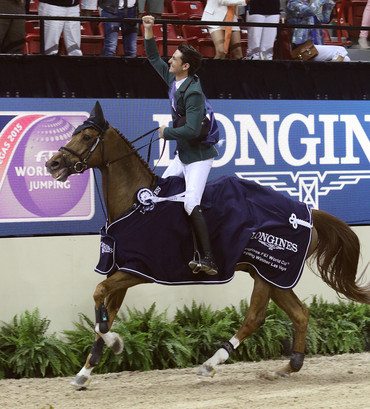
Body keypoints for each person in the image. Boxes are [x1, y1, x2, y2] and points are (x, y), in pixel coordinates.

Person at [142, 15, 219, 275]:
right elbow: (153, 58)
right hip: (184, 155)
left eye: (174, 58)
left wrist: (167, 132)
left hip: (198, 157)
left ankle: (208, 258)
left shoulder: (193, 92)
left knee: (190, 203)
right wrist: (149, 29)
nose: (169, 60)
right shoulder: (176, 80)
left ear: (185, 66)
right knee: (160, 192)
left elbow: (193, 129)